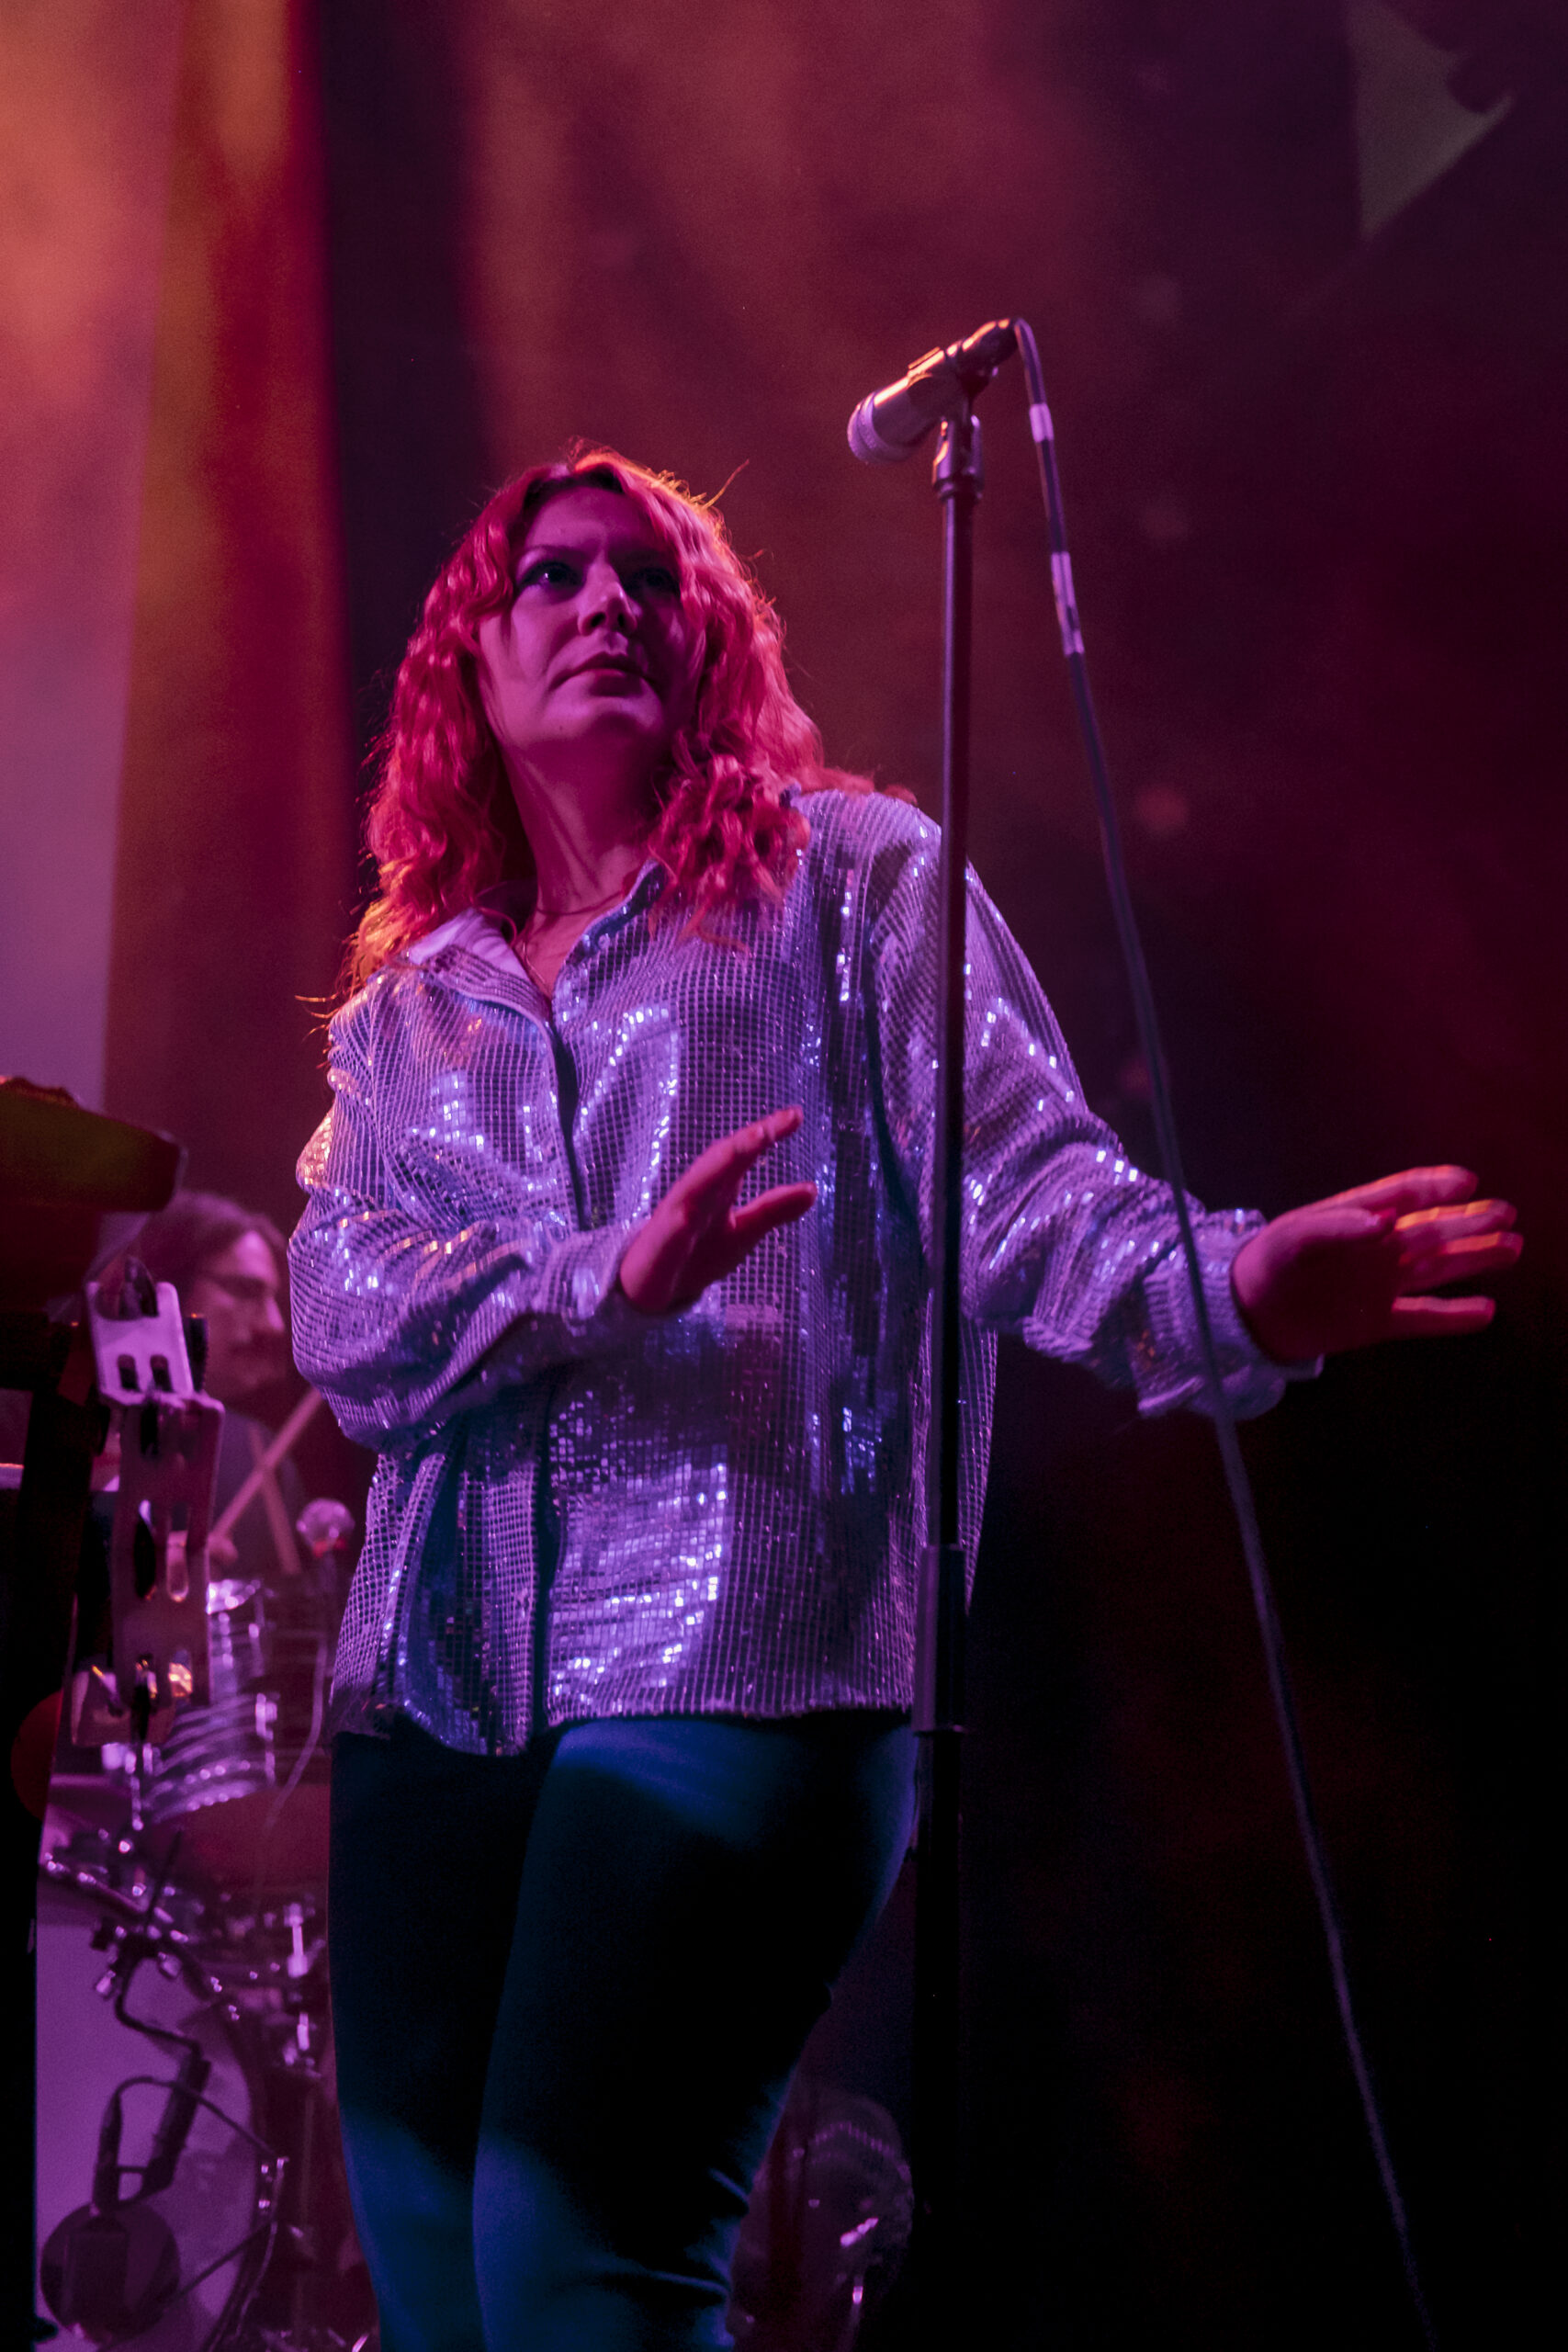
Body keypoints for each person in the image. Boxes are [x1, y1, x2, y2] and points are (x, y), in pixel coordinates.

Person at [288, 450, 1519, 2352]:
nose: (611, 603)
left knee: (577, 2263)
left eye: (653, 578)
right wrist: (592, 1274)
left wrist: (1237, 1284)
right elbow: (342, 1309)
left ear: (713, 641)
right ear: (470, 658)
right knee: (443, 2294)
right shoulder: (408, 1012)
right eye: (557, 576)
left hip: (739, 1658)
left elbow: (1031, 1191)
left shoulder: (848, 881)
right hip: (435, 1688)